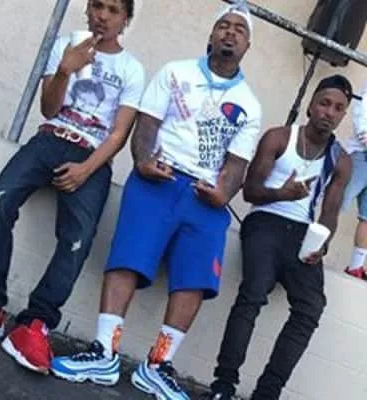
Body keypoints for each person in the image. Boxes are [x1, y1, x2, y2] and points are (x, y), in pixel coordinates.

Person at [50, 2, 262, 399]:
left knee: (195, 279)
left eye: (239, 29)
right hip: (158, 179)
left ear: (247, 45)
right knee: (127, 258)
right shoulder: (175, 72)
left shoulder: (250, 104)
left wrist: (223, 193)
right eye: (224, 25)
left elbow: (237, 164)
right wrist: (144, 162)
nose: (231, 33)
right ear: (211, 35)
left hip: (205, 197)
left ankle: (157, 365)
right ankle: (104, 352)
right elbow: (146, 124)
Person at [0, 0, 145, 375]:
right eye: (97, 5)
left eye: (114, 9)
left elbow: (118, 134)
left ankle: (36, 324)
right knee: (1, 199)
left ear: (126, 19)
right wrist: (65, 70)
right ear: (87, 9)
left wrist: (85, 170)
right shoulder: (66, 44)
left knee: (78, 239)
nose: (103, 15)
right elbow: (48, 109)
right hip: (49, 138)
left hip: (92, 157)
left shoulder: (132, 69)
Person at [204, 75, 352, 400]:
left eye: (338, 108)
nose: (329, 112)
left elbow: (330, 212)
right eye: (324, 103)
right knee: (254, 292)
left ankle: (267, 393)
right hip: (265, 221)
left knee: (311, 307)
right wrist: (282, 194)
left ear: (343, 115)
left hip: (302, 232)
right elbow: (251, 191)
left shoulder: (340, 160)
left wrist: (322, 244)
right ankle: (223, 386)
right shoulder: (279, 138)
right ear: (311, 105)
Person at [342, 81, 367, 280]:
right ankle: (312, 246)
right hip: (362, 153)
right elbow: (361, 105)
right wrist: (365, 135)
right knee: (339, 201)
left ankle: (356, 266)